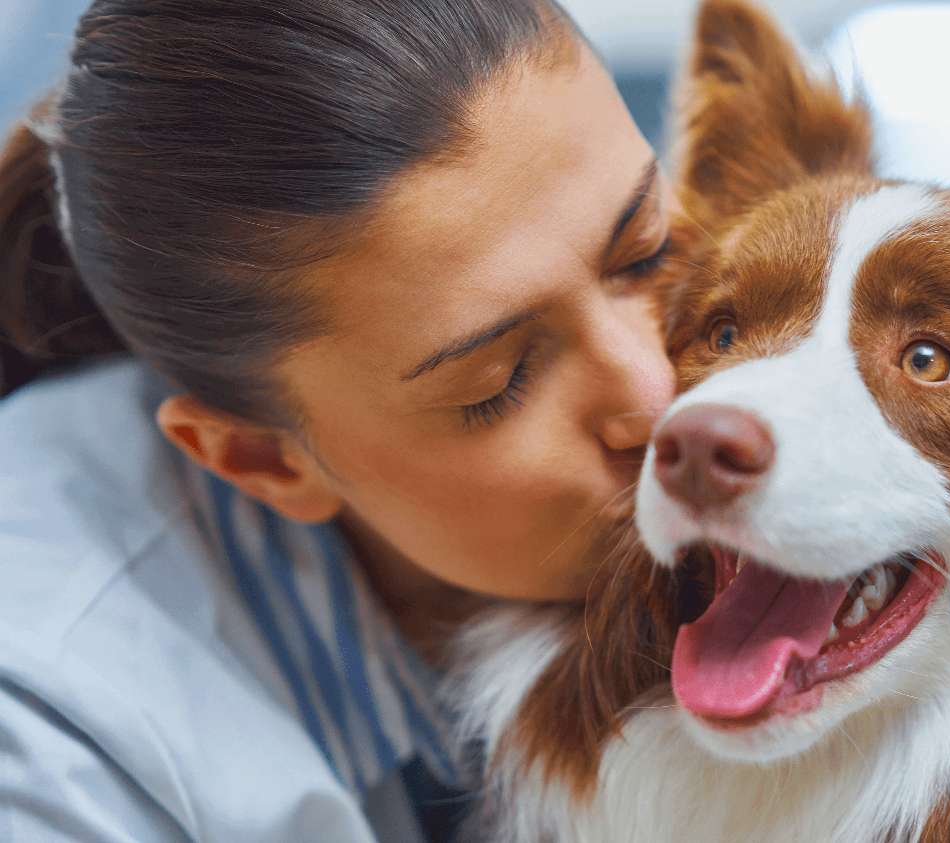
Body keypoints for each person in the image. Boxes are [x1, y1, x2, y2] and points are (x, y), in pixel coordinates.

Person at [0, 1, 677, 840]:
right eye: (498, 383)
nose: (659, 396)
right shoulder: (45, 747)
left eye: (645, 250)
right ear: (260, 460)